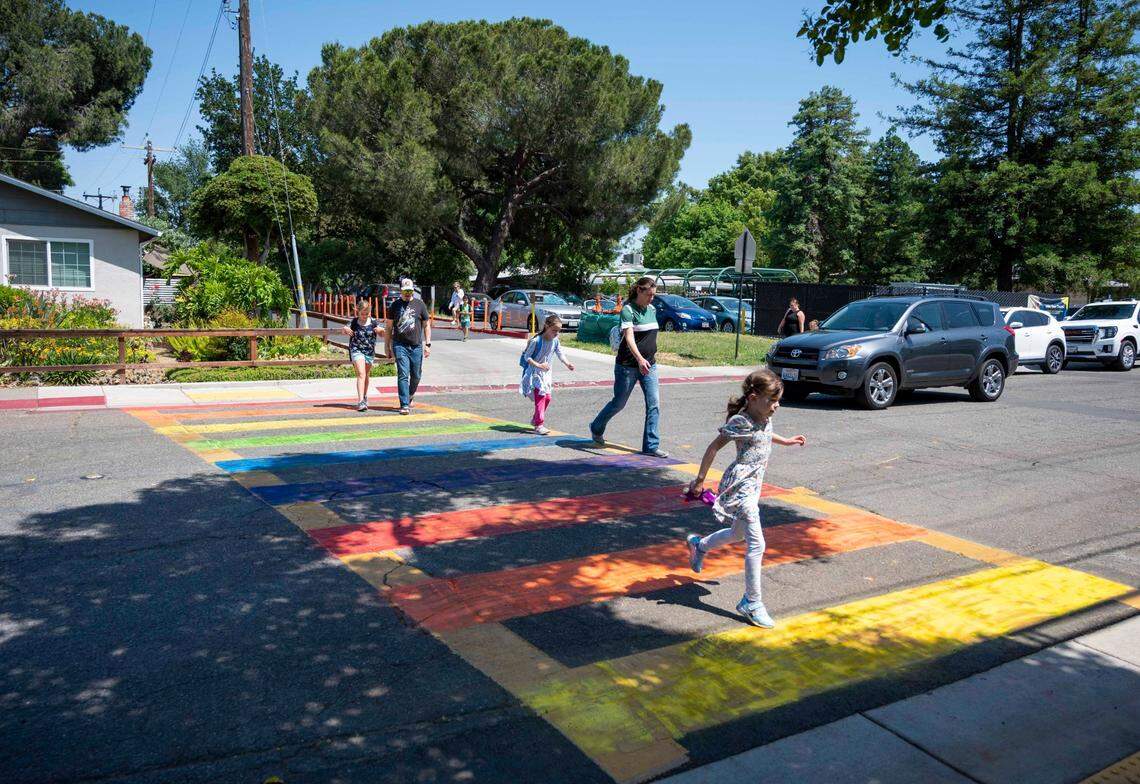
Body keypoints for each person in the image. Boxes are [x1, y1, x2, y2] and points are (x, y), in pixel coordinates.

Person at [683, 368, 807, 628]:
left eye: (778, 400)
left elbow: (764, 434)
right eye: (772, 400)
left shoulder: (763, 416)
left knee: (738, 534)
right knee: (757, 544)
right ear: (752, 397)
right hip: (741, 487)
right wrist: (700, 480)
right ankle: (752, 602)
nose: (776, 406)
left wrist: (785, 441)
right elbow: (713, 447)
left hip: (755, 484)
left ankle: (699, 545)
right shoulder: (741, 421)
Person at [589, 276, 668, 458]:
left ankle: (651, 446)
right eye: (649, 294)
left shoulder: (652, 309)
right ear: (639, 291)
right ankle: (596, 427)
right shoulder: (627, 310)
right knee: (619, 403)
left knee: (654, 404)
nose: (652, 298)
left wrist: (647, 358)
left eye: (654, 295)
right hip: (628, 366)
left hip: (650, 365)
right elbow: (630, 337)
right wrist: (640, 359)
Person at [519, 314, 575, 435]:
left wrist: (567, 363)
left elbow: (560, 353)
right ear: (546, 326)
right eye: (554, 330)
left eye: (559, 331)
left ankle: (535, 419)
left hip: (546, 374)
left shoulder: (555, 341)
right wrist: (539, 365)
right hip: (534, 373)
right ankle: (539, 425)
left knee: (547, 398)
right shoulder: (536, 341)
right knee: (541, 397)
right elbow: (527, 357)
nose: (556, 333)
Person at [385, 278, 431, 415]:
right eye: (405, 291)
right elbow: (388, 328)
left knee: (416, 375)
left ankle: (410, 394)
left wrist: (428, 344)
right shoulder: (395, 306)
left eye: (410, 291)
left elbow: (426, 325)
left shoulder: (420, 305)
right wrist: (387, 346)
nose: (407, 293)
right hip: (400, 345)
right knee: (403, 374)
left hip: (416, 345)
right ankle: (404, 404)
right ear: (401, 290)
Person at [342, 299, 379, 412]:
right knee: (361, 374)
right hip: (356, 349)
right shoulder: (354, 322)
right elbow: (344, 329)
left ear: (369, 313)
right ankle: (360, 401)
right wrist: (345, 329)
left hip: (369, 351)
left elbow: (382, 331)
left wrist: (381, 330)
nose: (364, 316)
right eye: (362, 314)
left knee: (366, 375)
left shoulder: (373, 322)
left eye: (366, 314)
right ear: (358, 312)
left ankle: (365, 396)